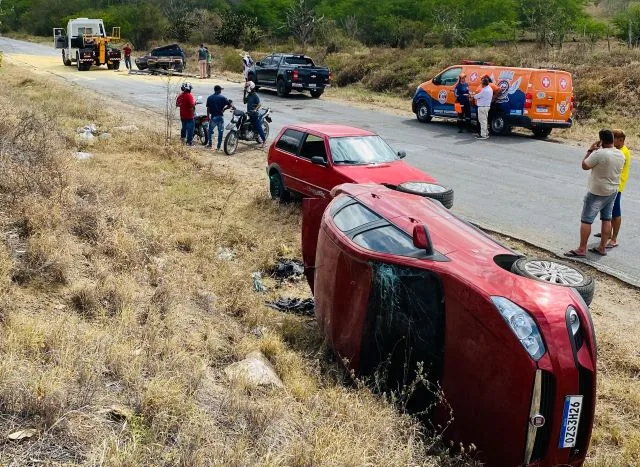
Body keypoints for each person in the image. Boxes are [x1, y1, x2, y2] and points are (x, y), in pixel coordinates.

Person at [565, 129, 625, 257]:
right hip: (612, 191)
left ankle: (582, 249)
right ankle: (602, 247)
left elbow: (585, 166)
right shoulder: (620, 154)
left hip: (596, 192)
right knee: (606, 219)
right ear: (613, 140)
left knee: (586, 220)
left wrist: (590, 150)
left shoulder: (599, 154)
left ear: (601, 140)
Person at [594, 129, 631, 248]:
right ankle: (607, 233)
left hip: (617, 186)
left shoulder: (623, 152)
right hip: (610, 185)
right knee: (607, 211)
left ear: (620, 140)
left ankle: (614, 238)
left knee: (615, 213)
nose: (612, 141)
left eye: (613, 139)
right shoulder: (617, 150)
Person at [206, 85, 234, 151]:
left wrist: (208, 117)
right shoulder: (223, 98)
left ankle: (210, 144)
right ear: (219, 90)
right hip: (220, 117)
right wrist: (224, 108)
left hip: (213, 117)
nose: (221, 91)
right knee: (220, 132)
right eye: (220, 90)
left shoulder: (209, 98)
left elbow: (208, 108)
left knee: (210, 131)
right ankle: (218, 147)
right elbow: (230, 105)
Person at [243, 81, 266, 148]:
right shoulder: (249, 95)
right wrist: (244, 94)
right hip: (250, 114)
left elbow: (259, 104)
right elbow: (244, 102)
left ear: (251, 87)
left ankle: (264, 141)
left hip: (255, 115)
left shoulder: (255, 95)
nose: (246, 88)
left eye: (247, 87)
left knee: (258, 127)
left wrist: (255, 109)